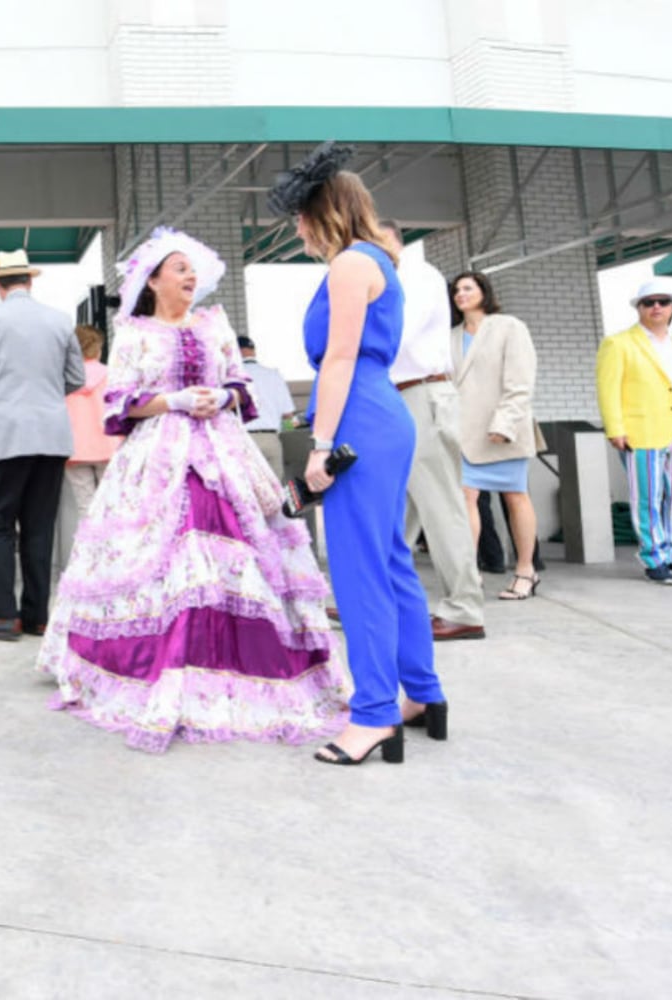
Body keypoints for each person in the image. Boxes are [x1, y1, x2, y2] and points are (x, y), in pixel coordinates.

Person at [33, 227, 349, 753]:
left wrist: (221, 397)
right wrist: (173, 401)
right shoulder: (133, 332)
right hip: (158, 454)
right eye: (177, 268)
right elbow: (121, 403)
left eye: (191, 269)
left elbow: (240, 385)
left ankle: (241, 663)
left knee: (240, 549)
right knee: (166, 554)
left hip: (224, 449)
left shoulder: (214, 324)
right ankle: (167, 664)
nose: (188, 277)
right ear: (153, 280)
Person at [271, 141, 446, 767]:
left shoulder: (349, 265)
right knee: (391, 560)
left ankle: (373, 714)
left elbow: (340, 356)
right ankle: (421, 694)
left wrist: (320, 446)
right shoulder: (379, 260)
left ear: (324, 211)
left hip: (357, 421)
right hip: (379, 414)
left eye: (299, 214)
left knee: (358, 568)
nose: (295, 227)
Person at [368, 220, 488, 638]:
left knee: (442, 506)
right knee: (396, 510)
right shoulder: (391, 278)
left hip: (422, 396)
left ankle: (465, 608)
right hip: (400, 398)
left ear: (392, 239)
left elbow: (396, 337)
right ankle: (374, 600)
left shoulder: (415, 276)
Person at [0, 249, 85, 641]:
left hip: (4, 436)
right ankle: (37, 616)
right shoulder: (61, 321)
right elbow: (76, 378)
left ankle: (0, 616)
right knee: (39, 526)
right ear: (30, 280)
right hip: (51, 435)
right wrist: (45, 397)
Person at [596, 278, 672, 585]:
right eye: (649, 302)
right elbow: (608, 390)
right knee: (648, 496)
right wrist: (615, 428)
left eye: (663, 301)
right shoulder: (618, 343)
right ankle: (654, 557)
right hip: (641, 430)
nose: (657, 307)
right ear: (639, 308)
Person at [450, 269, 542, 601]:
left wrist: (504, 424)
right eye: (457, 290)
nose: (461, 294)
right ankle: (468, 576)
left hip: (503, 429)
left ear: (484, 291)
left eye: (468, 288)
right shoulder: (451, 336)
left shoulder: (509, 327)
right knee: (466, 498)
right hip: (463, 433)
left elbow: (521, 381)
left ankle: (525, 571)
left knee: (515, 495)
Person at [64, 324, 117, 520]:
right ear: (98, 347)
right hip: (109, 447)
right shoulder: (112, 375)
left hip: (75, 449)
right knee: (110, 506)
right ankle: (111, 549)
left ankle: (89, 548)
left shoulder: (64, 379)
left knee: (85, 507)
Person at [237, 333, 296, 481]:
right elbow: (288, 414)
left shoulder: (232, 377)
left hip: (244, 440)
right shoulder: (273, 375)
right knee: (275, 494)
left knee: (248, 493)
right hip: (271, 440)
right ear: (253, 350)